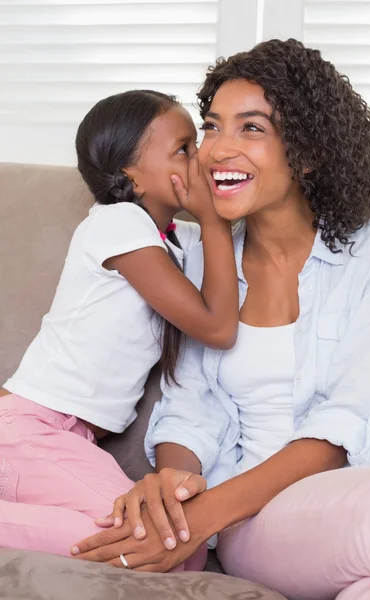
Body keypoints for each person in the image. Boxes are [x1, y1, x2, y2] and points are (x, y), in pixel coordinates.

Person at [73, 40, 370, 600]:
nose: (217, 150)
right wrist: (177, 492)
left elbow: (348, 425)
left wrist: (194, 525)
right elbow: (188, 406)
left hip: (355, 494)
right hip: (255, 520)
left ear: (309, 151)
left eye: (251, 128)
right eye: (211, 127)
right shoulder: (201, 260)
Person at [0, 89, 239, 565]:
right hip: (27, 430)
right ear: (132, 175)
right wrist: (212, 218)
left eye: (198, 143)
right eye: (183, 150)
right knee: (145, 539)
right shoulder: (118, 223)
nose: (201, 159)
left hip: (67, 438)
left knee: (178, 550)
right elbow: (217, 327)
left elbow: (236, 248)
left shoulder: (172, 238)